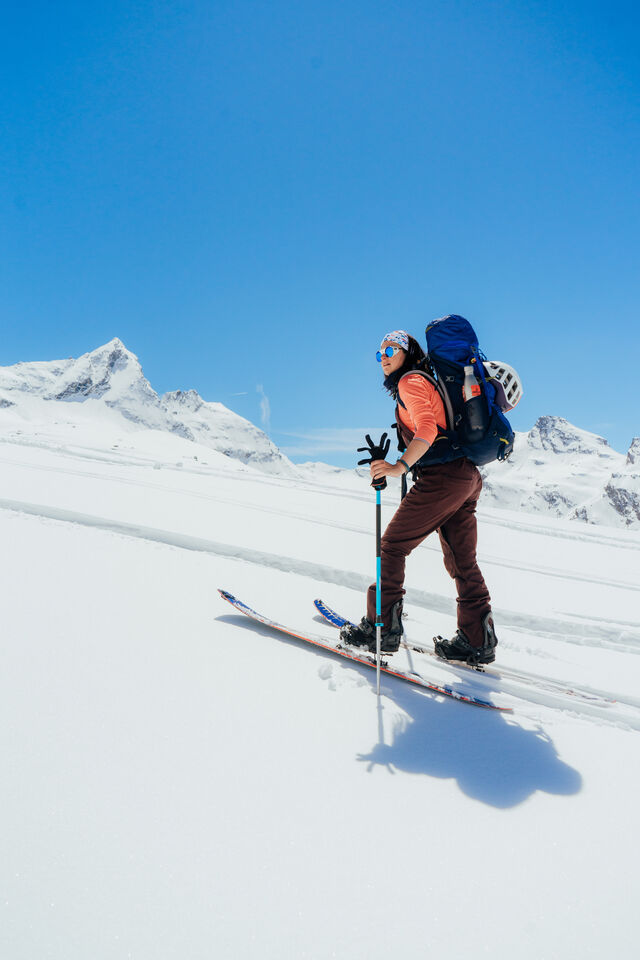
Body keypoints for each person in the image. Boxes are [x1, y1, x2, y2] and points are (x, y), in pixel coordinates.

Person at [340, 328, 498, 665]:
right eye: (378, 353)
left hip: (443, 479)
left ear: (407, 353)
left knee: (392, 547)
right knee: (462, 560)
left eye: (390, 350)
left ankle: (380, 629)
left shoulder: (409, 382)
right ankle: (477, 640)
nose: (382, 358)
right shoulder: (427, 380)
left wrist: (398, 467)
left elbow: (427, 427)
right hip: (466, 476)